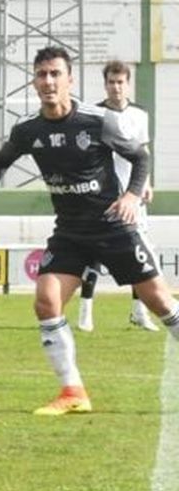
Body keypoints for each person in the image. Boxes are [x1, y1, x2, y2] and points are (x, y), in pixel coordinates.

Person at [0, 46, 179, 415]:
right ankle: (73, 393)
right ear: (34, 81)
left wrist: (131, 195)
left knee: (160, 302)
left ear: (70, 80)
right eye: (41, 75)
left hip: (114, 226)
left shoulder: (97, 120)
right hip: (70, 232)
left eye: (55, 74)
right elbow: (2, 159)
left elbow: (140, 157)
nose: (48, 81)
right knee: (46, 301)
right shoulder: (28, 130)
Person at [76, 60, 158, 332]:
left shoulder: (140, 114)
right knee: (96, 254)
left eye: (120, 82)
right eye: (111, 82)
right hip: (103, 195)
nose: (116, 87)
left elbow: (143, 152)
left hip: (132, 196)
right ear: (105, 84)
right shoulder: (95, 114)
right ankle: (85, 311)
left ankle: (139, 312)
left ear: (127, 83)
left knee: (139, 253)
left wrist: (146, 182)